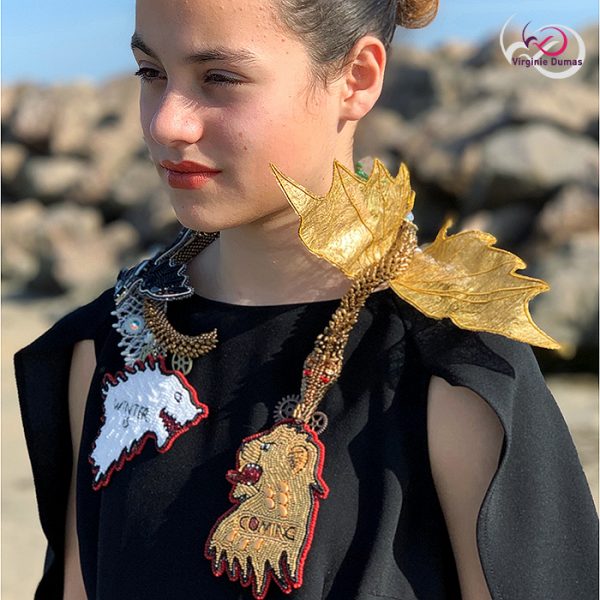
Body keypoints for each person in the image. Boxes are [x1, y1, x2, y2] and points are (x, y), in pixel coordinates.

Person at [14, 1, 598, 599]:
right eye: (151, 72)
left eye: (220, 77)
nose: (167, 123)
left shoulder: (452, 373)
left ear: (357, 78)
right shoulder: (108, 348)